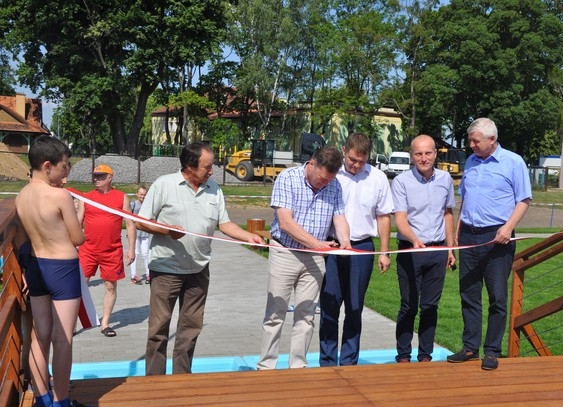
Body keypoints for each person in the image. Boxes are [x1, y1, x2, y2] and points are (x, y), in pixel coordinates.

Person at [136, 141, 264, 375]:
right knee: (158, 328)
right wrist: (167, 231)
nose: (211, 171)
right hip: (166, 270)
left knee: (191, 327)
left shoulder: (214, 188)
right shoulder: (164, 185)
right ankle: (154, 382)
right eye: (207, 167)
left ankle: (182, 378)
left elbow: (223, 223)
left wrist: (248, 236)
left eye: (211, 166)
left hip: (198, 269)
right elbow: (142, 221)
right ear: (189, 166)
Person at [15, 135, 94, 407]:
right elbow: (78, 238)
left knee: (40, 336)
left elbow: (23, 238)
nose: (67, 172)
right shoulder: (61, 196)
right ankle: (62, 406)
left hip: (36, 266)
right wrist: (78, 214)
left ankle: (42, 402)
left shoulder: (21, 196)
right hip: (62, 268)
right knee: (63, 340)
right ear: (47, 166)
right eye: (65, 167)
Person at [447, 117, 531, 371]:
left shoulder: (514, 162)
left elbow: (524, 199)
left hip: (498, 237)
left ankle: (492, 350)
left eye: (475, 141)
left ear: (492, 139)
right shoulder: (471, 162)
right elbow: (466, 202)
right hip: (469, 237)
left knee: (497, 297)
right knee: (469, 294)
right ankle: (470, 346)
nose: (470, 145)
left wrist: (507, 228)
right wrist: (455, 238)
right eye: (470, 140)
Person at [257, 147, 351, 370]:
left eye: (329, 180)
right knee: (275, 312)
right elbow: (286, 222)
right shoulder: (287, 178)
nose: (324, 184)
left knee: (307, 314)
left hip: (315, 257)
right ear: (312, 164)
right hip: (284, 252)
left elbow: (339, 218)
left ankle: (297, 366)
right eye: (321, 179)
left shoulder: (334, 185)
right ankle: (266, 367)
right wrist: (316, 243)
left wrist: (345, 240)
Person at [319, 133, 393, 367]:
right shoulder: (332, 174)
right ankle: (328, 361)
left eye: (361, 161)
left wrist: (384, 251)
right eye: (352, 159)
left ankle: (350, 362)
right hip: (331, 246)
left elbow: (383, 216)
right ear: (344, 150)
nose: (356, 165)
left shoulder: (377, 177)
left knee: (354, 307)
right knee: (329, 306)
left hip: (361, 247)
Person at [391, 135, 456, 363]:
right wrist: (414, 239)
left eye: (428, 153)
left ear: (435, 154)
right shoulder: (401, 182)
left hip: (437, 251)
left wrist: (450, 248)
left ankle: (425, 356)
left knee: (430, 306)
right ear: (412, 156)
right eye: (418, 154)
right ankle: (403, 355)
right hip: (410, 250)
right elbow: (400, 219)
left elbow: (448, 213)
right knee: (409, 305)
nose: (423, 158)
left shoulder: (446, 179)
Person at [76, 164, 136, 337]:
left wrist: (131, 249)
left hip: (112, 250)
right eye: (95, 176)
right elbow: (78, 221)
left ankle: (105, 323)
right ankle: (71, 322)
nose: (96, 179)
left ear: (110, 177)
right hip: (88, 249)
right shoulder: (86, 197)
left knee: (110, 285)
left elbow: (130, 224)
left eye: (101, 176)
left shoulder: (121, 197)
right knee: (80, 285)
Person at [129, 185, 150, 284]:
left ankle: (148, 274)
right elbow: (127, 218)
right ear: (137, 194)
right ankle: (133, 276)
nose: (143, 196)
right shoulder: (133, 204)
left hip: (145, 232)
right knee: (135, 254)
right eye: (141, 194)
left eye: (145, 195)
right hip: (135, 233)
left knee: (145, 253)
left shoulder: (148, 205)